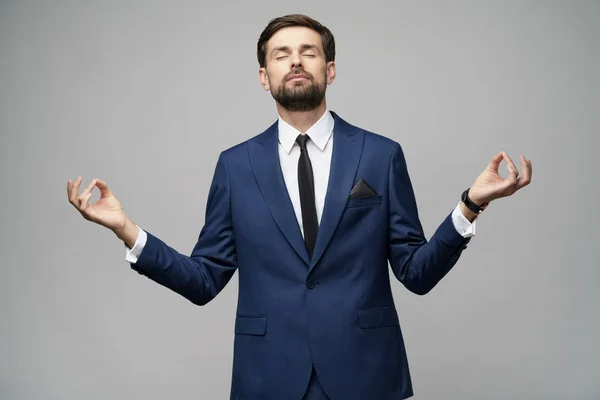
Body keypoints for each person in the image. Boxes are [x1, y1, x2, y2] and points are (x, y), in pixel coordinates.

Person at [67, 14, 532, 400]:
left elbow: (416, 272)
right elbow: (205, 279)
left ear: (330, 69)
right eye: (281, 54)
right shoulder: (235, 166)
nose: (295, 61)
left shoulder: (380, 155)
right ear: (263, 76)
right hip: (267, 377)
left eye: (308, 52)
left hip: (366, 374)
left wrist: (470, 205)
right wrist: (127, 230)